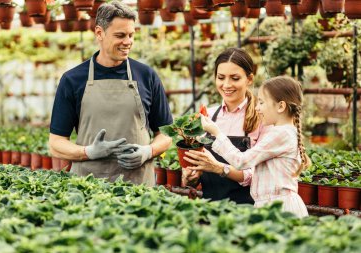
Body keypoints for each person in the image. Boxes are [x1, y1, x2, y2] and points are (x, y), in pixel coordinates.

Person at [48, 1, 172, 186]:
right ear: (99, 33)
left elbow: (166, 133)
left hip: (139, 190)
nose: (128, 42)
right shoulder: (72, 80)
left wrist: (148, 151)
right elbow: (56, 144)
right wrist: (88, 152)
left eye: (131, 35)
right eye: (120, 35)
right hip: (88, 188)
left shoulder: (147, 76)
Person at [186, 76, 310, 218]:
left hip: (280, 210)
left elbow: (242, 161)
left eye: (262, 103)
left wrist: (217, 132)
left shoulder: (280, 134)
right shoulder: (283, 132)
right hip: (272, 207)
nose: (257, 108)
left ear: (281, 106)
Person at [183, 48, 262, 204]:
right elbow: (197, 169)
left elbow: (258, 175)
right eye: (221, 77)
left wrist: (218, 168)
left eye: (235, 78)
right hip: (210, 208)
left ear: (250, 79)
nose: (226, 85)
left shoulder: (261, 118)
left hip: (247, 210)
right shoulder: (208, 117)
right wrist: (192, 177)